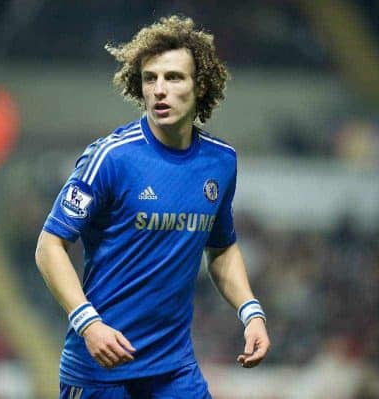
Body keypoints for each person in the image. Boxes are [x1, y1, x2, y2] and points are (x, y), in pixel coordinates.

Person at [35, 15, 270, 398]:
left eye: (174, 77)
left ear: (201, 86)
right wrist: (88, 323)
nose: (159, 89)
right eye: (150, 78)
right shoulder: (111, 158)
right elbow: (49, 246)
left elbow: (222, 247)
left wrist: (251, 312)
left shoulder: (220, 162)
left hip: (173, 370)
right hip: (100, 369)